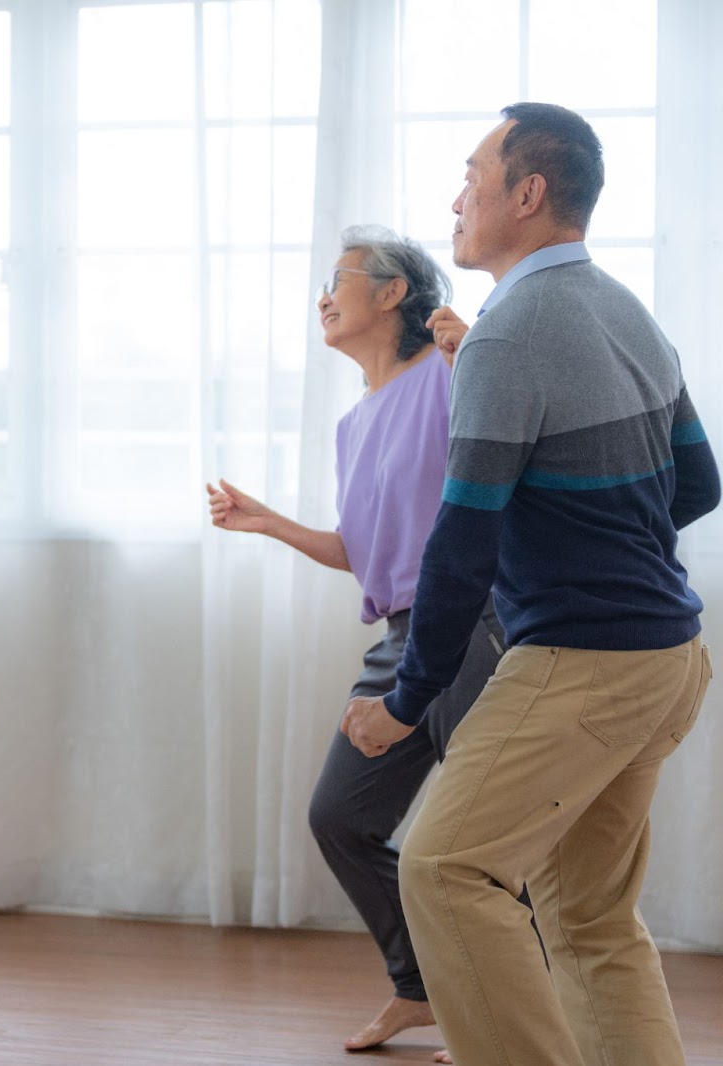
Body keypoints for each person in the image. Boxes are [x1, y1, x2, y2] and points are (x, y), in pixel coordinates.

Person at [341, 103, 718, 1066]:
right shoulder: (621, 307)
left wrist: (404, 698)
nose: (456, 198)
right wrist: (600, 553)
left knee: (443, 867)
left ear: (529, 193)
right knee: (587, 917)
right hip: (670, 658)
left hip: (585, 665)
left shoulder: (508, 335)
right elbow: (700, 484)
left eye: (472, 175)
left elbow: (461, 547)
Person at [208, 226, 502, 1062]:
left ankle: (504, 1017)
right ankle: (420, 990)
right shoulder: (354, 421)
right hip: (403, 636)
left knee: (480, 843)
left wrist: (473, 351)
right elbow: (364, 550)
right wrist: (271, 524)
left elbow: (516, 436)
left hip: (473, 627)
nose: (323, 298)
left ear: (393, 293)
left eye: (338, 280)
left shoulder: (447, 376)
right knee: (340, 817)